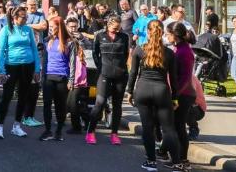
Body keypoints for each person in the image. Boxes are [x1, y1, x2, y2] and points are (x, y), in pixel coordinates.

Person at [125, 20, 182, 172]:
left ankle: (151, 161)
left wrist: (129, 91)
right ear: (162, 32)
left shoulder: (139, 49)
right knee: (168, 129)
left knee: (147, 128)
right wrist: (175, 97)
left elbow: (133, 73)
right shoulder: (169, 53)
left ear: (148, 32)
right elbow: (174, 79)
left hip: (142, 89)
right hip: (162, 91)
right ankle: (177, 162)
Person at [0, 6, 39, 139]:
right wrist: (1, 70)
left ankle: (17, 126)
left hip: (28, 66)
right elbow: (1, 51)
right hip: (11, 66)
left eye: (26, 17)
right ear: (15, 18)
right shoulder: (6, 30)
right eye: (23, 17)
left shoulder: (28, 29)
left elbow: (34, 49)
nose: (26, 19)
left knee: (23, 96)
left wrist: (37, 69)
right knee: (7, 97)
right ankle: (0, 127)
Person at [86, 15, 129, 146]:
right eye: (114, 28)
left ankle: (114, 133)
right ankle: (91, 131)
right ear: (108, 25)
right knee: (100, 102)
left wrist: (121, 67)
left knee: (117, 105)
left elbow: (126, 53)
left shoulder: (124, 37)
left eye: (118, 28)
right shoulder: (100, 36)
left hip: (120, 74)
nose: (116, 30)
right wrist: (100, 67)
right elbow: (95, 53)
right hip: (104, 73)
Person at [39, 16, 76, 142]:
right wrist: (41, 77)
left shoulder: (69, 42)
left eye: (52, 27)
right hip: (48, 77)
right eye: (49, 27)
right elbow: (44, 61)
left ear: (59, 27)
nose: (50, 29)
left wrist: (71, 80)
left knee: (60, 106)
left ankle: (59, 131)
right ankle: (48, 130)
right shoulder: (47, 40)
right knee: (47, 105)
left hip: (62, 78)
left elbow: (73, 63)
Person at [167, 21, 195, 169]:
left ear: (174, 35)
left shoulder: (185, 51)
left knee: (179, 127)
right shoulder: (178, 48)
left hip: (184, 94)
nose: (166, 36)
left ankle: (183, 160)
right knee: (174, 126)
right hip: (179, 93)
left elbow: (185, 77)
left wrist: (175, 96)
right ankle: (175, 157)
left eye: (168, 34)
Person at [23, 0, 46, 128]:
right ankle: (26, 117)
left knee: (36, 85)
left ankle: (29, 116)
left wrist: (30, 26)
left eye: (35, 5)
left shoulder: (40, 14)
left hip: (38, 50)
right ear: (26, 6)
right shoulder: (24, 15)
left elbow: (43, 26)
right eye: (30, 5)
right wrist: (34, 27)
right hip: (27, 53)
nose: (33, 7)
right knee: (29, 86)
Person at [65, 17, 90, 134]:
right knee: (72, 103)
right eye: (71, 26)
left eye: (75, 26)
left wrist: (82, 39)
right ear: (67, 27)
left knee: (75, 102)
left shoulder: (81, 38)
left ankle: (82, 125)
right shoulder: (65, 38)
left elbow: (90, 47)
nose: (73, 29)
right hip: (67, 72)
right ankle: (87, 122)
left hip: (79, 74)